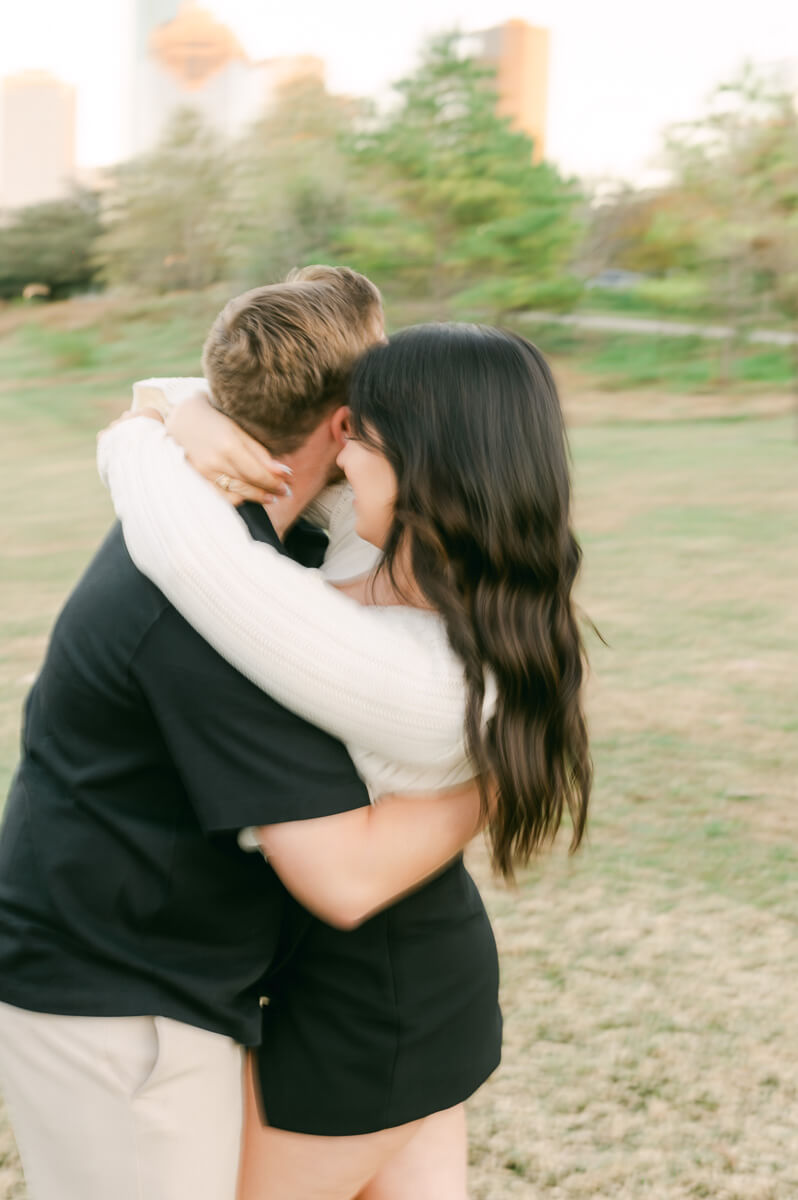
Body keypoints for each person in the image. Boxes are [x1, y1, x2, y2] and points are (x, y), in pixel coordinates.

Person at [0, 269, 484, 1200]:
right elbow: (342, 877)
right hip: (116, 1000)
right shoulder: (221, 608)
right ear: (346, 425)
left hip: (163, 972)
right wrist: (499, 775)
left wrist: (166, 412)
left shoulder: (263, 540)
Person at [99, 320, 593, 1199]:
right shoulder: (407, 568)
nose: (338, 454)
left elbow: (187, 549)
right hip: (410, 981)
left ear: (420, 462)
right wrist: (183, 406)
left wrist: (144, 428)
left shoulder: (399, 662)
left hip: (366, 1005)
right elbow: (272, 433)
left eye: (355, 434)